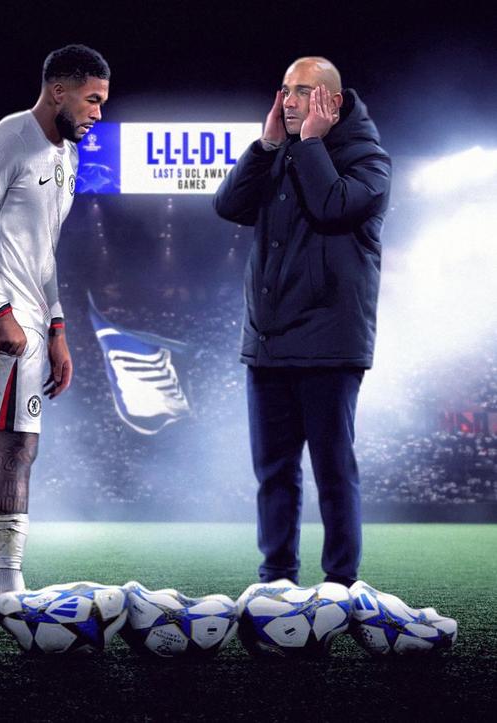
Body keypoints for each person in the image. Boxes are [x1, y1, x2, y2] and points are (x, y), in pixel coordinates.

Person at [214, 57, 391, 587]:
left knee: (333, 473)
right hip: (268, 343)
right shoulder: (280, 152)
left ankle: (340, 585)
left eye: (303, 91)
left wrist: (311, 143)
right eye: (285, 90)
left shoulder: (369, 160)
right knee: (273, 474)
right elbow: (229, 205)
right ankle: (276, 583)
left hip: (330, 345)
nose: (289, 102)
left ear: (331, 102)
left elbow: (333, 206)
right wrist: (265, 147)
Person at [0, 44, 110, 595]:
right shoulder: (9, 139)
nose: (97, 113)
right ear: (58, 91)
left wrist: (58, 328)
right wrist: (2, 312)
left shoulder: (68, 157)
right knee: (18, 445)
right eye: (92, 100)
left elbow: (43, 253)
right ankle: (10, 586)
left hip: (29, 313)